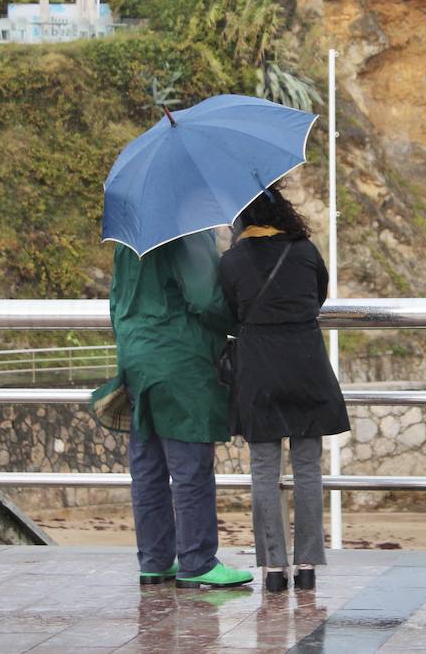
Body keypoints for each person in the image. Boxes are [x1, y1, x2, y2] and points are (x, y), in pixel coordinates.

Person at [218, 185, 350, 593]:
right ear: (283, 214)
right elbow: (318, 295)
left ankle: (274, 570)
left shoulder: (232, 261)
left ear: (243, 219)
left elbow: (226, 312)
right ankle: (307, 564)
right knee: (308, 469)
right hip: (306, 364)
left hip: (259, 369)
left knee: (263, 471)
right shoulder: (304, 250)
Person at [104, 230, 253, 589]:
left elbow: (115, 300)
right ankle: (197, 560)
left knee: (148, 466)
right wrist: (241, 320)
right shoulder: (187, 234)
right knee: (190, 464)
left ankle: (155, 560)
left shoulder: (129, 239)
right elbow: (206, 300)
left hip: (137, 356)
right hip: (180, 359)